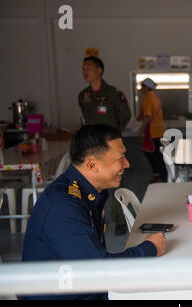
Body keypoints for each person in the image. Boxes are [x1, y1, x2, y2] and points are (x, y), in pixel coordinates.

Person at [21, 124, 166, 300]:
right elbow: (97, 270)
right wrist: (149, 248)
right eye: (120, 158)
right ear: (92, 165)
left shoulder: (86, 190)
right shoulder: (63, 207)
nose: (127, 164)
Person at [78, 56, 132, 235]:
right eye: (83, 68)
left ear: (99, 70)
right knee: (92, 183)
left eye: (89, 68)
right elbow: (86, 118)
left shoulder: (113, 93)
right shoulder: (83, 95)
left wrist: (114, 134)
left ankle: (121, 220)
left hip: (110, 147)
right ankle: (94, 220)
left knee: (117, 182)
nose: (85, 71)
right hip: (91, 146)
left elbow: (125, 116)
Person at [138, 78, 167, 183]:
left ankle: (158, 176)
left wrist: (141, 130)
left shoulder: (147, 98)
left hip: (152, 131)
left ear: (146, 87)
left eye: (142, 86)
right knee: (158, 154)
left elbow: (147, 116)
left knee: (151, 153)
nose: (141, 89)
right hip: (160, 130)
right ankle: (161, 175)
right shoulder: (156, 98)